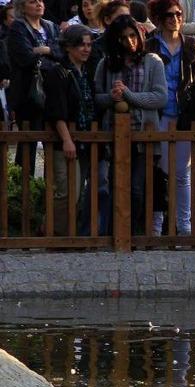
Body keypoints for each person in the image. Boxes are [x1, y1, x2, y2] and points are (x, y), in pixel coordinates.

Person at [95, 14, 168, 235]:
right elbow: (97, 97)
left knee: (137, 188)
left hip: (143, 135)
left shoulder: (152, 61)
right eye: (124, 37)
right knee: (115, 187)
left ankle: (133, 233)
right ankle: (115, 233)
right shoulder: (106, 64)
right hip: (115, 134)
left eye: (133, 36)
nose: (130, 42)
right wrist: (113, 97)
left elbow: (160, 97)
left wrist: (129, 95)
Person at [146, 0, 195, 235]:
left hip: (183, 114)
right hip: (158, 113)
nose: (175, 18)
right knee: (157, 172)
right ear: (159, 18)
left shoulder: (193, 45)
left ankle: (185, 226)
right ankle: (156, 226)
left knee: (182, 174)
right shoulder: (150, 45)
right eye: (169, 15)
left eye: (178, 14)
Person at [43, 24, 96, 235]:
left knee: (77, 192)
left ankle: (61, 233)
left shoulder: (87, 71)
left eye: (89, 45)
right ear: (68, 47)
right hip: (64, 141)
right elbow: (57, 111)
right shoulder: (59, 72)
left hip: (83, 139)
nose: (86, 49)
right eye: (81, 45)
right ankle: (51, 233)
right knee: (67, 192)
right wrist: (66, 139)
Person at [7, 0, 63, 174]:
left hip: (52, 90)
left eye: (40, 1)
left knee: (52, 141)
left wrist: (44, 50)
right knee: (27, 142)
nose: (39, 4)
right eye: (33, 1)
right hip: (28, 93)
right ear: (23, 7)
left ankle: (50, 189)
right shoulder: (18, 28)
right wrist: (50, 56)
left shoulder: (51, 26)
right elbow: (25, 57)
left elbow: (62, 53)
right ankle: (23, 189)